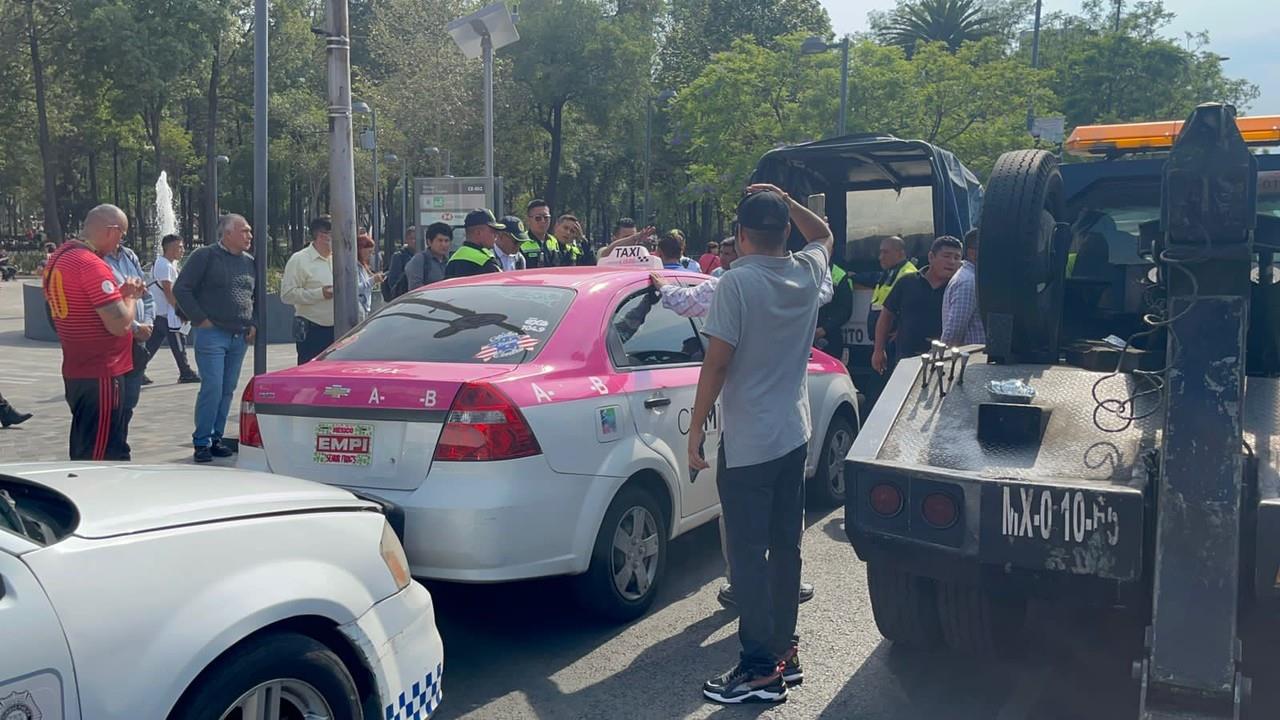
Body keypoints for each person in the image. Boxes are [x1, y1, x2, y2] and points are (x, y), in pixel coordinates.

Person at [690, 185, 833, 704]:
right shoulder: (808, 270)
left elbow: (718, 362)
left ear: (742, 236)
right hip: (794, 434)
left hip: (750, 442)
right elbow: (825, 234)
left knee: (749, 556)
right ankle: (783, 652)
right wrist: (789, 198)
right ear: (787, 231)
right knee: (786, 547)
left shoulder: (736, 282)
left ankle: (757, 670)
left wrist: (695, 429)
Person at [43, 204, 146, 461]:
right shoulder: (91, 264)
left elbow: (77, 306)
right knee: (102, 455)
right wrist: (131, 297)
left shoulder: (60, 257)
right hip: (102, 373)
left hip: (78, 370)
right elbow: (120, 324)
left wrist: (116, 296)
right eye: (122, 234)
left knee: (86, 444)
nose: (121, 241)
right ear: (111, 231)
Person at [174, 213, 256, 463]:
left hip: (239, 335)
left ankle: (216, 438)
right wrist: (201, 319)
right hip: (213, 333)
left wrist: (254, 323)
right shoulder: (205, 256)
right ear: (227, 233)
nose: (249, 236)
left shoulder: (249, 261)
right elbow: (181, 288)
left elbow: (254, 295)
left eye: (250, 231)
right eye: (244, 231)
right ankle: (202, 441)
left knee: (228, 388)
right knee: (212, 386)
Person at [100, 210, 155, 447]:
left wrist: (149, 323)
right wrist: (134, 326)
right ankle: (114, 446)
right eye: (120, 231)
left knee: (130, 400)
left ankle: (120, 442)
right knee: (114, 402)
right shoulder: (97, 260)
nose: (122, 236)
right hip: (116, 340)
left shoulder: (129, 256)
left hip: (137, 341)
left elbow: (145, 294)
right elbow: (109, 302)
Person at [872, 236, 964, 375]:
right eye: (946, 256)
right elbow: (886, 316)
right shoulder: (907, 282)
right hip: (906, 360)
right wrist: (879, 350)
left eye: (957, 258)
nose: (952, 262)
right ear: (931, 257)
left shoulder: (957, 290)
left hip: (942, 362)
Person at [145, 234, 200, 383]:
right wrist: (179, 310)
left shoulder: (163, 263)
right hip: (166, 313)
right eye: (180, 247)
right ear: (170, 248)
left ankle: (137, 370)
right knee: (178, 340)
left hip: (160, 312)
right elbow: (169, 291)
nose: (182, 250)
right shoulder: (165, 265)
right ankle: (185, 371)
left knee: (152, 343)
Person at [281, 216, 336, 364]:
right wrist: (320, 294)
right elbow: (287, 295)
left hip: (340, 331)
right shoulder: (299, 260)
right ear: (322, 236)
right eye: (336, 233)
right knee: (312, 378)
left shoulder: (340, 258)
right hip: (313, 331)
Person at [852, 236, 918, 355]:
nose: (880, 257)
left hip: (895, 343)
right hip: (883, 341)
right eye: (880, 252)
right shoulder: (890, 272)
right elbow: (872, 278)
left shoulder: (908, 275)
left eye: (885, 252)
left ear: (900, 253)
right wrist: (852, 276)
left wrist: (901, 331)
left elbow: (914, 310)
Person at [941, 228, 986, 346]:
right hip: (969, 360)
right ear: (972, 252)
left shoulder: (971, 278)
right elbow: (954, 331)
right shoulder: (968, 282)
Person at [445, 210, 504, 278]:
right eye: (493, 231)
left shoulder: (453, 259)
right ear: (478, 233)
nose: (496, 235)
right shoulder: (485, 261)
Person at [816, 260, 854, 360]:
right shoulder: (804, 269)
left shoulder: (839, 274)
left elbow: (846, 310)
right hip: (805, 334)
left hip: (830, 334)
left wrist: (825, 328)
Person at [401, 222, 453, 292]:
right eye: (440, 240)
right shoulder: (420, 260)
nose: (443, 244)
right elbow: (415, 289)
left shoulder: (448, 262)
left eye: (446, 241)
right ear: (429, 242)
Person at [522, 200, 562, 268]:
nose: (543, 221)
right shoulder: (521, 241)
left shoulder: (553, 241)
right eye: (538, 218)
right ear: (528, 220)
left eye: (546, 217)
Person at [382, 225, 417, 301]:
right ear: (406, 240)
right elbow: (393, 281)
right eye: (411, 238)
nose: (414, 241)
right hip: (403, 297)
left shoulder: (423, 256)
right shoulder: (398, 256)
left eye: (416, 238)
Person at [356, 232, 384, 321]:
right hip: (358, 307)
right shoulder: (354, 267)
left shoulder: (363, 265)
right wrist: (373, 280)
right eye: (369, 251)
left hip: (364, 307)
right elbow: (356, 289)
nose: (370, 255)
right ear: (360, 249)